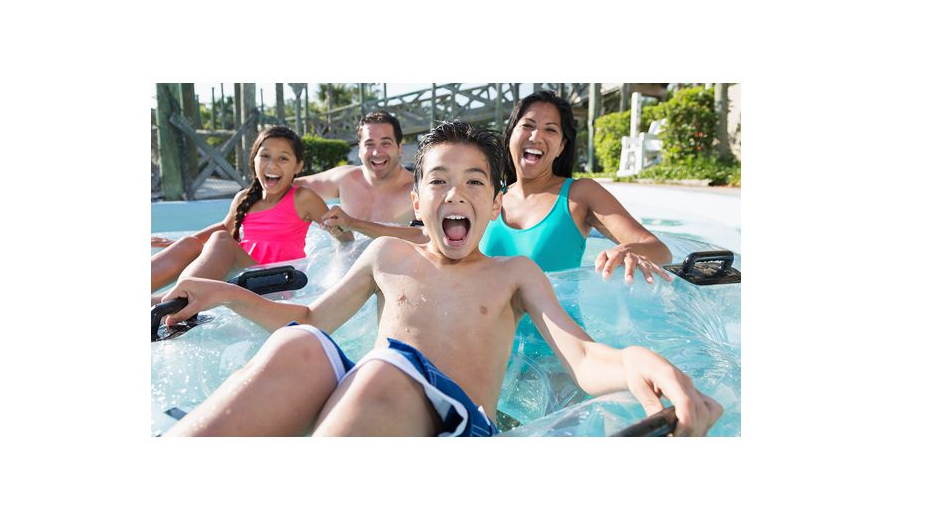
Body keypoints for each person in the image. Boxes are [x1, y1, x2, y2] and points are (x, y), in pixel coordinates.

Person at [158, 121, 722, 437]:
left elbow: (582, 357)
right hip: (376, 400)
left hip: (456, 423)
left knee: (380, 368)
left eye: (475, 182)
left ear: (496, 204)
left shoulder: (512, 275)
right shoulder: (385, 255)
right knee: (300, 347)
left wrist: (637, 362)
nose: (456, 194)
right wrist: (220, 293)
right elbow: (309, 316)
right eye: (439, 181)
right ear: (416, 199)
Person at [482, 89, 675, 284]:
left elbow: (660, 250)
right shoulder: (490, 197)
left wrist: (626, 251)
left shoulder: (580, 194)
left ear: (561, 147)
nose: (535, 136)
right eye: (527, 125)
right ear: (510, 135)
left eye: (550, 129)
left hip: (560, 316)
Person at [151, 126, 347, 295]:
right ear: (254, 160)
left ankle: (171, 298)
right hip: (243, 277)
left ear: (298, 166)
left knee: (220, 240)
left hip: (277, 282)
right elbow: (225, 227)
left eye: (283, 158)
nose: (272, 164)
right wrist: (179, 244)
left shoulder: (302, 198)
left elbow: (343, 234)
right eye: (265, 156)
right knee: (189, 243)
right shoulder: (244, 198)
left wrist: (340, 248)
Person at [295, 111, 418, 240]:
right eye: (369, 144)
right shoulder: (344, 179)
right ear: (359, 149)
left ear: (399, 148)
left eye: (385, 143)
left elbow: (425, 238)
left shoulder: (417, 191)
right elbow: (288, 186)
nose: (377, 152)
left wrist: (352, 224)